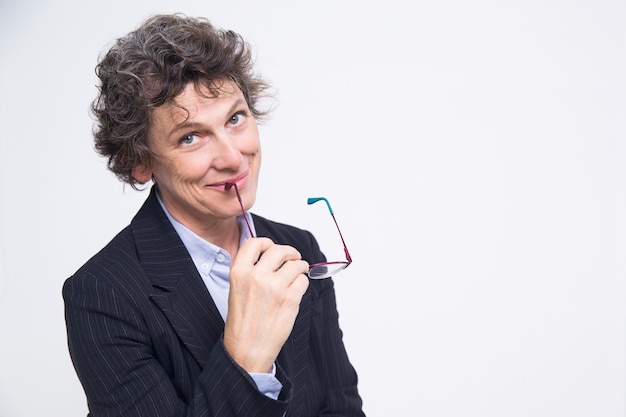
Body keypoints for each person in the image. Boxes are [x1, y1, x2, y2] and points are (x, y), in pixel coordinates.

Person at [62, 13, 365, 417]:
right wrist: (246, 357)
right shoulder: (101, 295)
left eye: (235, 118)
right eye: (191, 137)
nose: (232, 157)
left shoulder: (299, 247)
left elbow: (340, 407)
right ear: (140, 162)